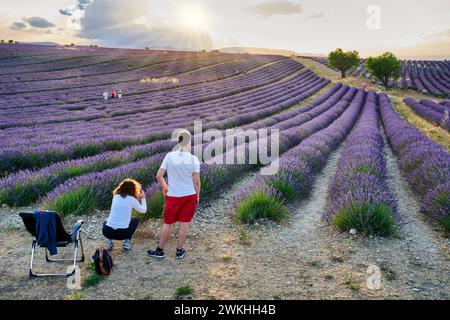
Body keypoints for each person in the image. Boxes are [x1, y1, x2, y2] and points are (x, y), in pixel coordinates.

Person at [148, 130, 201, 260]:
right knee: (184, 223)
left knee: (168, 223)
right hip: (189, 196)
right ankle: (179, 251)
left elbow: (159, 175)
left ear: (178, 141)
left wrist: (165, 187)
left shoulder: (169, 156)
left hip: (173, 196)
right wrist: (197, 196)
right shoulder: (194, 159)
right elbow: (197, 181)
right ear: (189, 142)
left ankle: (160, 250)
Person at [103, 179, 147, 250]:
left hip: (107, 232)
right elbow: (143, 211)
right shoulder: (132, 199)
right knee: (134, 220)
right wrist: (143, 198)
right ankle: (127, 242)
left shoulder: (115, 197)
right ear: (133, 189)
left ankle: (109, 242)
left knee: (106, 221)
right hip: (123, 234)